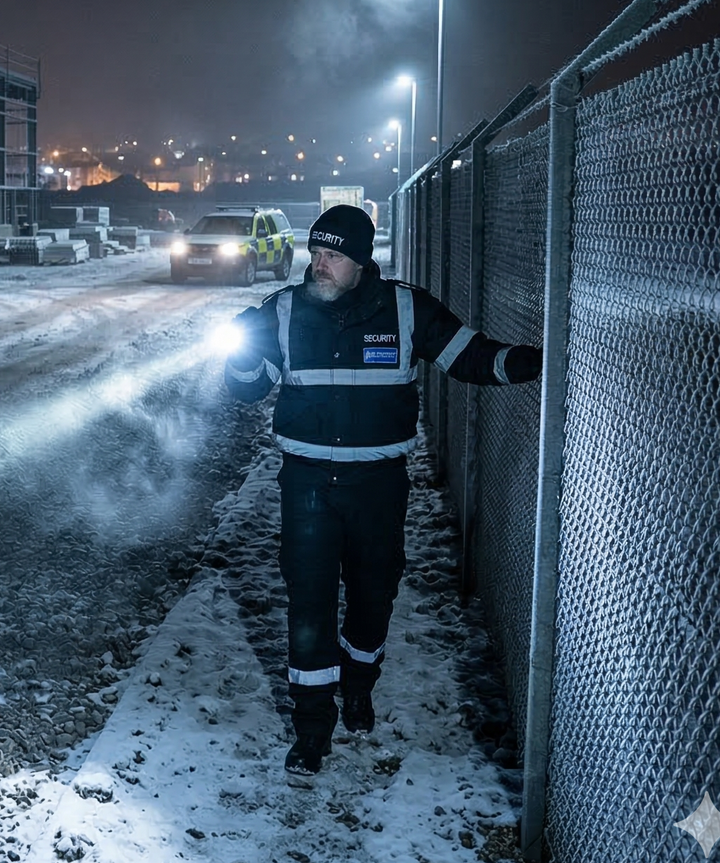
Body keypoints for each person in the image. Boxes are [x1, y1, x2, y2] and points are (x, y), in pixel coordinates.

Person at [223, 205, 543, 775]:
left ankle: (359, 685)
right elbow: (246, 390)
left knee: (373, 599)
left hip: (378, 485)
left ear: (360, 261)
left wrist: (534, 362)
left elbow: (471, 356)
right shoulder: (284, 312)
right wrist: (242, 355)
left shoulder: (405, 308)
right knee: (308, 605)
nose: (319, 266)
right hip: (308, 485)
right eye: (316, 255)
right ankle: (312, 730)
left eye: (333, 257)